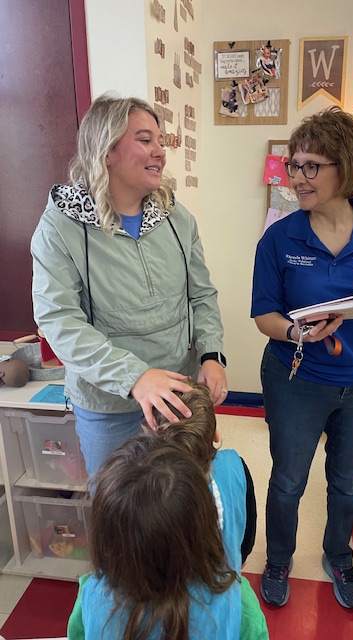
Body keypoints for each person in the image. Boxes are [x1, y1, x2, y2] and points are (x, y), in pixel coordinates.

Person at [250, 106, 353, 609]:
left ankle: (339, 556)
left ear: (345, 168)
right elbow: (264, 316)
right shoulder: (280, 237)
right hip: (297, 377)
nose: (297, 177)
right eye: (293, 165)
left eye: (311, 167)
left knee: (346, 483)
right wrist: (299, 330)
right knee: (288, 479)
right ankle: (278, 558)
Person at [31, 93, 228, 477]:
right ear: (106, 151)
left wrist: (211, 355)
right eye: (144, 139)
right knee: (120, 520)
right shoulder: (60, 227)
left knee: (181, 511)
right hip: (108, 409)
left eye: (160, 140)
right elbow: (60, 321)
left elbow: (201, 294)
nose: (160, 152)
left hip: (178, 400)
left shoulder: (177, 218)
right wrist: (134, 377)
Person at [67, 435, 240, 640]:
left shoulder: (94, 596)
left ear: (105, 537)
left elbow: (78, 634)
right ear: (203, 526)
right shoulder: (232, 597)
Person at [147, 379, 267, 639]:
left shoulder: (137, 484)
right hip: (222, 589)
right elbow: (247, 533)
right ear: (215, 435)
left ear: (150, 433)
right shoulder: (237, 467)